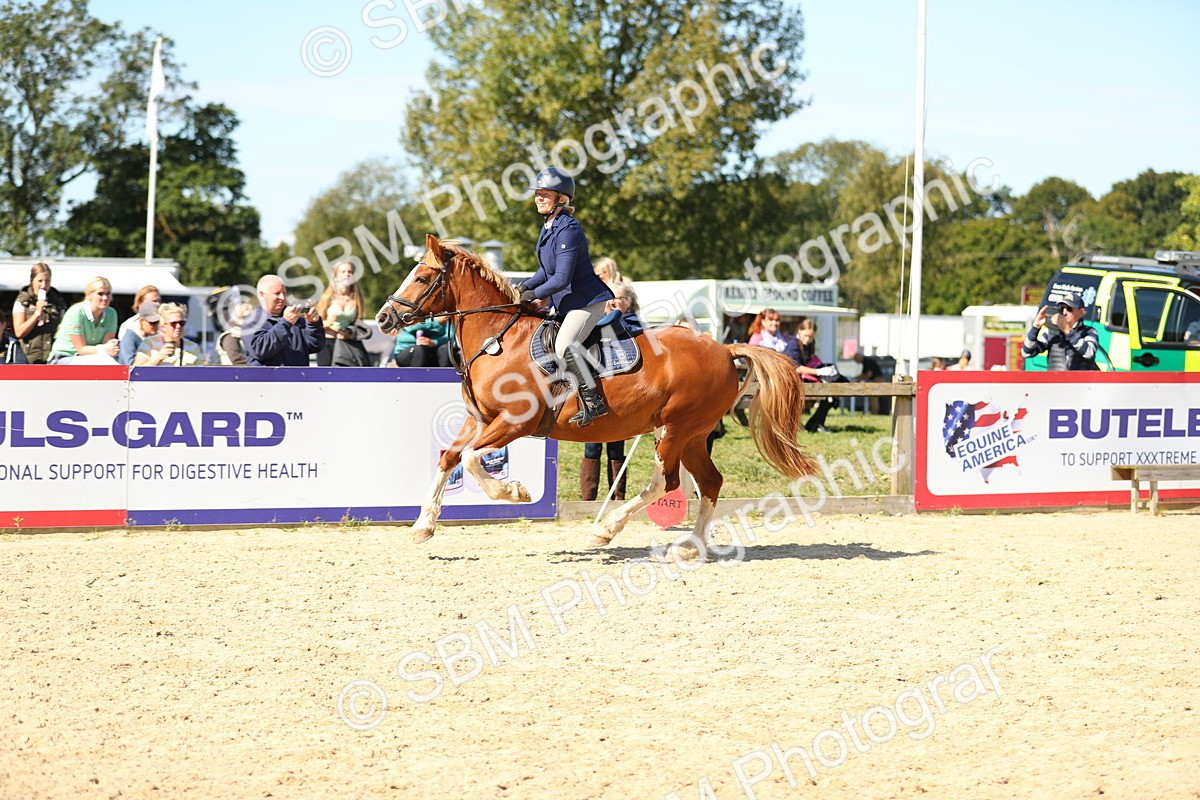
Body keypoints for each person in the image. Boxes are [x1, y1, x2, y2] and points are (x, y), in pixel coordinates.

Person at [517, 167, 615, 427]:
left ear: (561, 198)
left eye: (544, 194)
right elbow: (545, 270)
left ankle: (594, 402)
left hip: (587, 301)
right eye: (537, 193)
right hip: (567, 302)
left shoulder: (568, 229)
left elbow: (561, 279)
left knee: (563, 346)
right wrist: (521, 287)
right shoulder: (549, 226)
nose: (538, 197)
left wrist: (533, 295)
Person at [580, 277, 641, 501]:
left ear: (629, 302)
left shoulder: (634, 324)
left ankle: (618, 497)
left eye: (620, 298)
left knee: (616, 448)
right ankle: (587, 500)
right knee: (591, 446)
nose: (615, 302)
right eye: (611, 297)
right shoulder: (595, 322)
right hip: (596, 388)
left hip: (622, 392)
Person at [244, 275, 324, 366]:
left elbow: (315, 346)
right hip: (267, 379)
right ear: (261, 295)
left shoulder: (296, 319)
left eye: (284, 293)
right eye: (277, 293)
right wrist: (285, 324)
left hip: (298, 378)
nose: (282, 297)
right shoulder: (251, 322)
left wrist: (313, 324)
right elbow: (261, 350)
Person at [47, 276, 119, 364]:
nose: (105, 298)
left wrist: (110, 348)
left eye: (108, 294)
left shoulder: (111, 313)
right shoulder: (76, 312)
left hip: (93, 358)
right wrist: (104, 348)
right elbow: (81, 349)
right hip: (63, 358)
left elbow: (107, 347)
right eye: (100, 294)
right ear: (89, 295)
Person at [1021, 291, 1099, 371]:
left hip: (1080, 382)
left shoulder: (1090, 331)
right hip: (1056, 382)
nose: (1064, 312)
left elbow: (1089, 353)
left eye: (1069, 309)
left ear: (1081, 312)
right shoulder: (1051, 331)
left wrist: (1067, 330)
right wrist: (1035, 327)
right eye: (1062, 309)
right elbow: (1027, 353)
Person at [791, 319, 844, 433]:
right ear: (799, 331)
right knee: (828, 393)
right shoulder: (792, 345)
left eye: (811, 337)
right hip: (792, 382)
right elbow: (796, 368)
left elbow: (810, 359)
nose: (808, 339)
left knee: (832, 392)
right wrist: (818, 372)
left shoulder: (809, 344)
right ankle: (813, 424)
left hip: (806, 380)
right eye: (805, 336)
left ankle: (816, 424)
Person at [315, 261, 371, 367]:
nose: (347, 274)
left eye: (350, 272)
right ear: (336, 276)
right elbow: (315, 324)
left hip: (348, 343)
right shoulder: (327, 297)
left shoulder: (357, 298)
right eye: (343, 271)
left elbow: (359, 322)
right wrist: (328, 323)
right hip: (328, 343)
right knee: (326, 378)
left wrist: (349, 332)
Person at [11, 262, 68, 364]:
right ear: (32, 281)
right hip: (28, 359)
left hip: (52, 359)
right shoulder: (23, 301)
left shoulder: (58, 302)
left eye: (47, 281)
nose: (43, 285)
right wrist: (37, 313)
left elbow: (64, 331)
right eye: (40, 281)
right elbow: (19, 332)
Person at [134, 302, 205, 366]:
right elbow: (137, 373)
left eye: (182, 323)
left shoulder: (193, 346)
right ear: (163, 326)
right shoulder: (149, 343)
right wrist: (157, 358)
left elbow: (201, 374)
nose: (178, 326)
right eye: (173, 323)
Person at [115, 285, 161, 364]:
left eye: (159, 301)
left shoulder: (164, 324)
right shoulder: (129, 327)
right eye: (154, 301)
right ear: (140, 303)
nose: (158, 304)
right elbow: (129, 363)